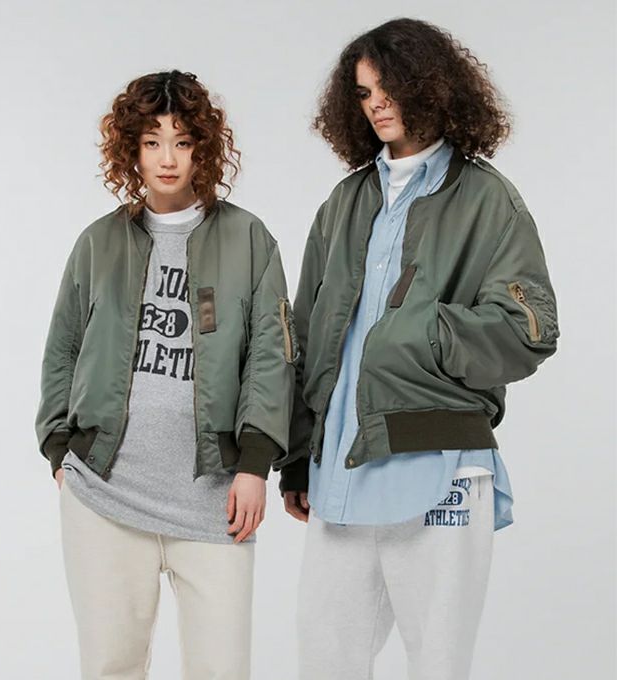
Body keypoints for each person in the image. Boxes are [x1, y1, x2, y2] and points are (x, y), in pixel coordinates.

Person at [277, 18, 559, 680]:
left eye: (389, 88)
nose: (376, 105)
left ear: (431, 86)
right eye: (363, 93)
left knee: (437, 664)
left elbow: (531, 329)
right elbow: (306, 334)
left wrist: (420, 331)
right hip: (343, 468)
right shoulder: (346, 202)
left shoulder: (486, 198)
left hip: (441, 469)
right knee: (324, 658)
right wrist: (296, 458)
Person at [35, 70, 296, 680]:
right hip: (104, 494)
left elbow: (272, 353)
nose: (168, 158)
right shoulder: (99, 243)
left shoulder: (248, 238)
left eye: (182, 141)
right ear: (131, 149)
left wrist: (256, 463)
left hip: (215, 499)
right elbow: (62, 348)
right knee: (111, 666)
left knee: (221, 669)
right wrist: (59, 447)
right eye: (152, 142)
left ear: (204, 148)